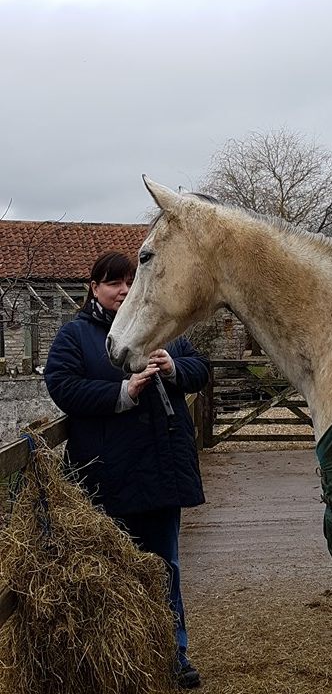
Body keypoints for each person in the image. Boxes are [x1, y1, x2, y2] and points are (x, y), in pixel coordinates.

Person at [44, 251, 209, 690]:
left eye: (130, 282)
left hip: (161, 470)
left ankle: (174, 655)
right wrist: (122, 392)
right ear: (94, 288)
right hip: (108, 475)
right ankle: (120, 662)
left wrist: (173, 368)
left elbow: (200, 370)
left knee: (165, 567)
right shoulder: (76, 335)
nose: (123, 290)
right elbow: (62, 385)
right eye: (113, 283)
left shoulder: (162, 326)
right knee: (112, 573)